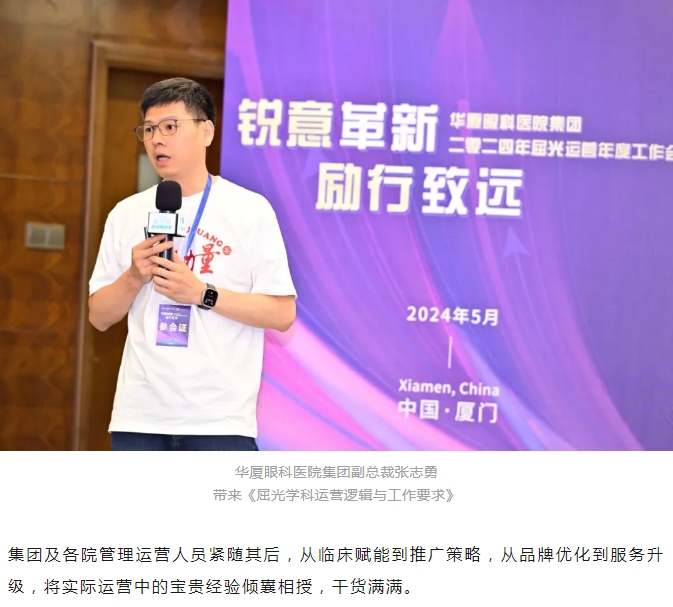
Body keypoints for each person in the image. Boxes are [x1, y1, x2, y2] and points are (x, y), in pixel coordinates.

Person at [88, 77, 296, 451]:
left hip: (219, 420)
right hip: (140, 417)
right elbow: (99, 316)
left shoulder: (250, 210)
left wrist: (202, 293)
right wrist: (134, 277)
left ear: (206, 132)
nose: (156, 140)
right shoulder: (125, 213)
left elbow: (282, 313)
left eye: (170, 127)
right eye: (148, 129)